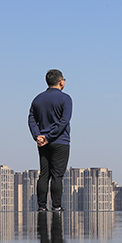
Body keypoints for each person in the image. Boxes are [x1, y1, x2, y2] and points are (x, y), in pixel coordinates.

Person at [28, 69, 72, 211]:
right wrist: (50, 137)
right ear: (61, 82)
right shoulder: (65, 99)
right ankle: (56, 206)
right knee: (57, 175)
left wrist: (38, 136)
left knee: (44, 174)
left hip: (42, 142)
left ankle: (41, 206)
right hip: (60, 140)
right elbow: (64, 121)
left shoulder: (37, 99)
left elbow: (31, 119)